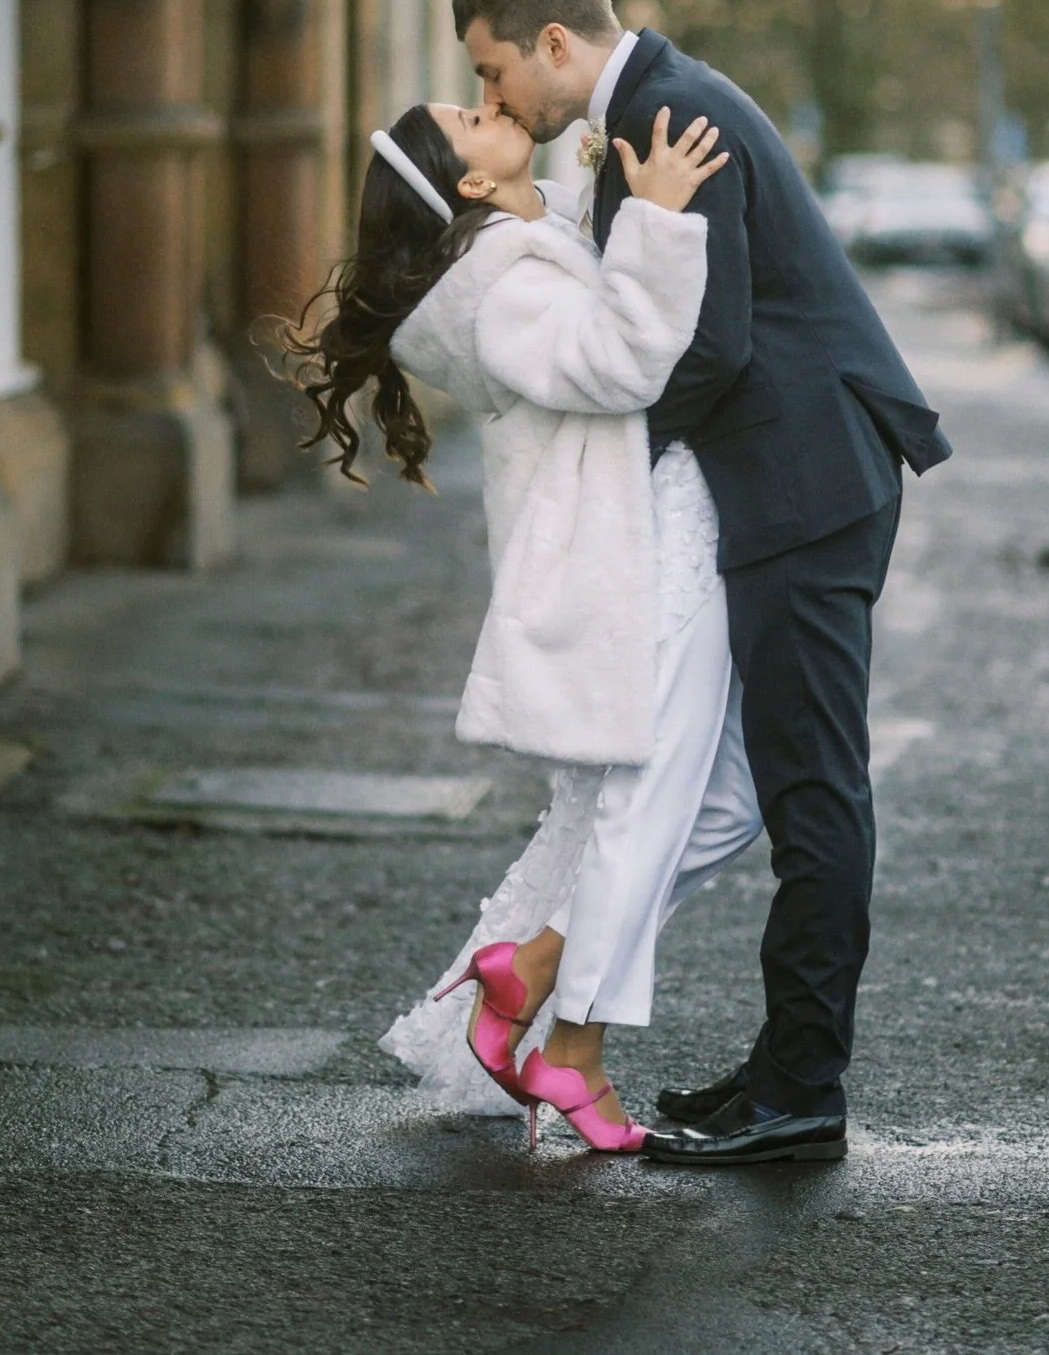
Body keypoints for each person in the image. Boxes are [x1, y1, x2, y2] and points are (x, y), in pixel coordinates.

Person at [452, 0, 952, 1166]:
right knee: (757, 789)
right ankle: (769, 1069)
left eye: (494, 69)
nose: (496, 94)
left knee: (812, 793)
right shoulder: (647, 112)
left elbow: (709, 346)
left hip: (807, 484)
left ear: (554, 43)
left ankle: (802, 1096)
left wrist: (602, 462)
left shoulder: (670, 115)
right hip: (785, 482)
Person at [289, 98, 763, 1154]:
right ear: (465, 183)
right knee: (663, 807)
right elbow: (621, 360)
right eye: (468, 113)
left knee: (720, 805)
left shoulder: (517, 242)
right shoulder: (496, 290)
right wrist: (660, 217)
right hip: (630, 562)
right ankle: (564, 1038)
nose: (488, 100)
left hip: (655, 535)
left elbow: (562, 236)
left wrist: (603, 188)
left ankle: (538, 963)